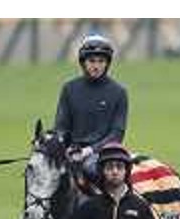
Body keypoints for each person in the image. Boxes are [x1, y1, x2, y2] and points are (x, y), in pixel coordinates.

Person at [54, 34, 128, 185]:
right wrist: (64, 147)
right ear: (83, 62)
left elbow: (117, 134)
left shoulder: (119, 92)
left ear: (107, 63)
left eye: (101, 61)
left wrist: (89, 151)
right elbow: (61, 127)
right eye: (92, 61)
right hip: (72, 152)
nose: (96, 66)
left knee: (90, 168)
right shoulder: (69, 89)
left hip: (103, 154)